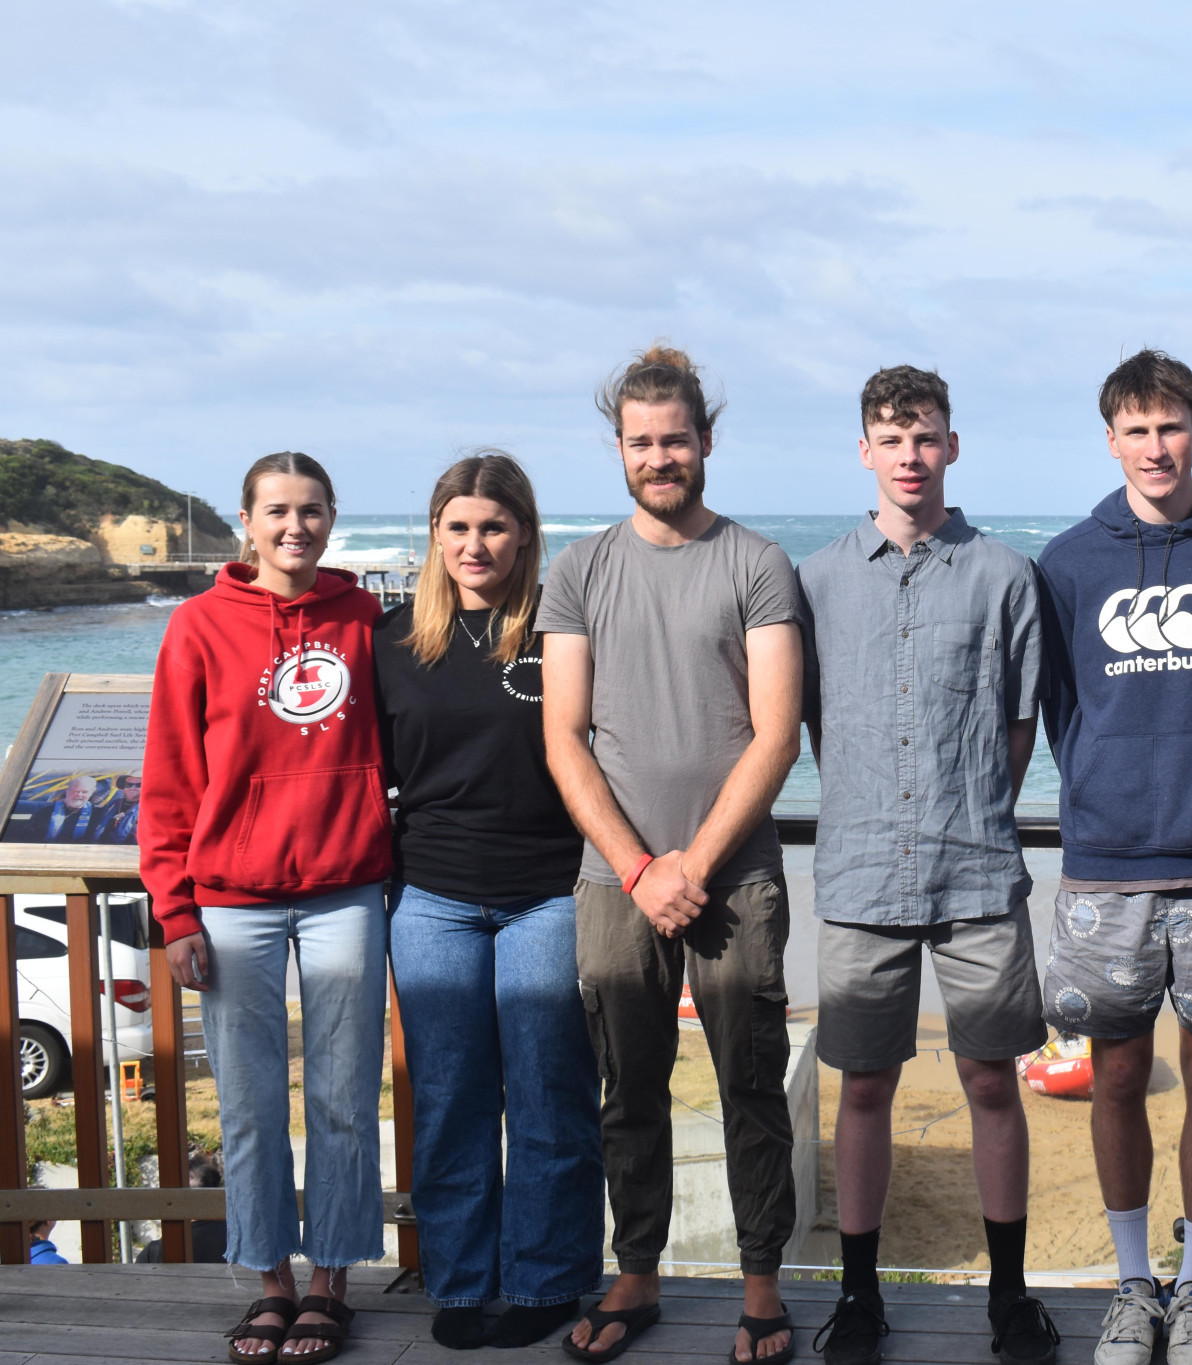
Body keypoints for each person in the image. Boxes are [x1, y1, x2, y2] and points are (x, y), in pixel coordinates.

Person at [540, 344, 804, 1365]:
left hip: (732, 873)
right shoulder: (581, 568)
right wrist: (642, 866)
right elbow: (564, 733)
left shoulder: (755, 563)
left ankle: (761, 1284)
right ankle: (638, 1271)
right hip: (617, 878)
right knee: (628, 1085)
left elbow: (775, 734)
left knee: (750, 1078)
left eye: (676, 440)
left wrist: (691, 860)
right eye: (643, 443)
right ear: (619, 448)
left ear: (704, 442)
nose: (661, 457)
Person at [1036, 349, 1192, 1365]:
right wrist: (1109, 780)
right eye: (1135, 430)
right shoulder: (1067, 562)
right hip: (1106, 858)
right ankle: (1130, 1283)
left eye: (1170, 426)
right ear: (1111, 441)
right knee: (1111, 1078)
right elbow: (1062, 707)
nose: (1155, 446)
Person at [798, 367, 1056, 1365]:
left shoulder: (1003, 576)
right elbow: (811, 717)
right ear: (865, 451)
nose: (909, 455)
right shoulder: (816, 580)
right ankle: (858, 1297)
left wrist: (966, 810)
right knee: (862, 1087)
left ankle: (1008, 1295)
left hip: (976, 870)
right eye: (890, 439)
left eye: (926, 437)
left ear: (951, 446)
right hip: (860, 872)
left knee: (993, 1081)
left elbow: (1019, 724)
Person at [140, 451, 390, 1364]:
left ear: (332, 518)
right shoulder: (199, 627)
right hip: (230, 900)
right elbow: (169, 779)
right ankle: (268, 1281)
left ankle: (332, 1277)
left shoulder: (364, 617)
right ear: (246, 521)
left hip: (346, 891)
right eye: (278, 510)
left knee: (343, 1098)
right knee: (247, 1104)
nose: (296, 526)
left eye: (313, 510)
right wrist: (174, 910)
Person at [375, 452, 603, 1351]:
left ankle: (548, 1281)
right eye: (459, 526)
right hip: (430, 899)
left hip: (549, 892)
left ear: (525, 534)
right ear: (435, 534)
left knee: (551, 1094)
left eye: (495, 526)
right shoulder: (393, 642)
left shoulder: (563, 632)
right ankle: (464, 1282)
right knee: (451, 1096)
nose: (476, 543)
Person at [30, 775, 99, 842]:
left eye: (84, 792)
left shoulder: (96, 815)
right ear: (67, 791)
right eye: (76, 791)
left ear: (91, 793)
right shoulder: (45, 812)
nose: (79, 795)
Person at [92, 772, 143, 843]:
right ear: (124, 787)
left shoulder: (148, 808)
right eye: (129, 785)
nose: (132, 788)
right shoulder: (114, 803)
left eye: (138, 785)